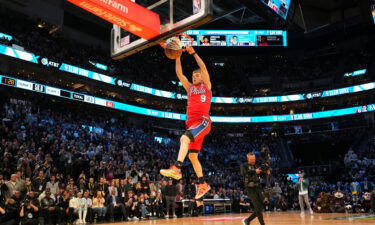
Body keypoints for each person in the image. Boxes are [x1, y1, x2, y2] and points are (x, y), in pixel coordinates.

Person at [160, 46, 212, 200]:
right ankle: (203, 184)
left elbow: (203, 67)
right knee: (193, 157)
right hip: (193, 125)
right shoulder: (189, 88)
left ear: (202, 77)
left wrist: (193, 52)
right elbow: (179, 73)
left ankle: (176, 167)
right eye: (193, 75)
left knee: (184, 139)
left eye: (197, 75)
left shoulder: (206, 86)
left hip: (203, 122)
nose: (195, 76)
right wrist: (177, 55)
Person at [240, 153, 268, 225]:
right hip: (250, 189)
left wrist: (266, 172)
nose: (253, 160)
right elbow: (244, 173)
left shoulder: (256, 166)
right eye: (251, 159)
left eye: (254, 159)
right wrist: (255, 171)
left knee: (261, 207)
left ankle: (248, 220)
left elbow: (262, 176)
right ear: (248, 159)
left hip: (258, 188)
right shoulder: (244, 166)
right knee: (258, 208)